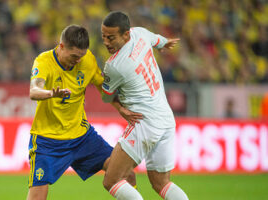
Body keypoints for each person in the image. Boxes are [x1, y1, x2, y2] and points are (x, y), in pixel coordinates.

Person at [27, 24, 135, 200]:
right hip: (48, 142)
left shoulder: (87, 60)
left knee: (126, 174)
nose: (78, 61)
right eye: (74, 56)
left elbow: (103, 89)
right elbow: (34, 91)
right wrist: (49, 93)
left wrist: (121, 109)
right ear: (61, 46)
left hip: (82, 138)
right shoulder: (43, 61)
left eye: (81, 56)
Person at [100, 11, 189, 200]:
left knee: (112, 180)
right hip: (165, 119)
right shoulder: (140, 33)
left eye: (111, 37)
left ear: (126, 34)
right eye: (103, 36)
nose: (106, 42)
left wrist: (119, 107)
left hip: (144, 123)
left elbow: (107, 97)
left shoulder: (115, 65)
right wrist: (166, 42)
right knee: (161, 183)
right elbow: (158, 40)